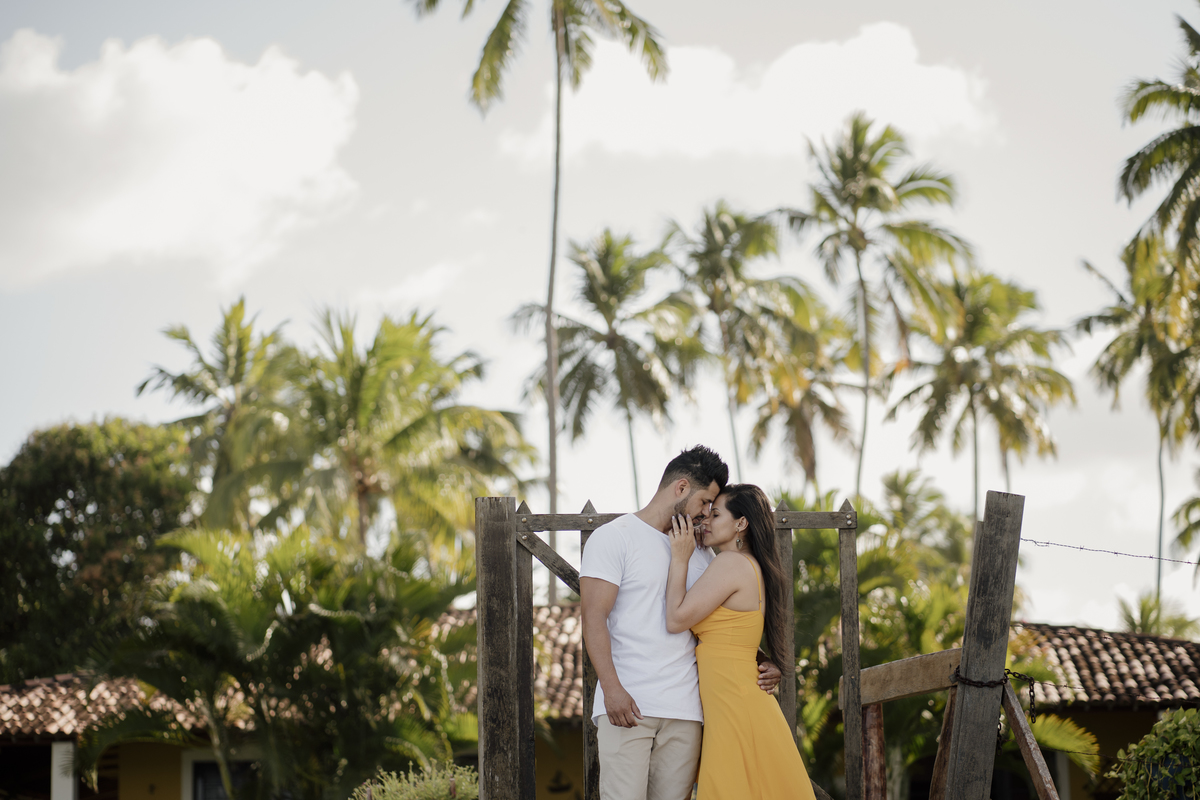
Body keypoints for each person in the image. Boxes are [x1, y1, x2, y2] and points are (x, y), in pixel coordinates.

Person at [580, 446, 783, 800]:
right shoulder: (615, 537)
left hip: (687, 711)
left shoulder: (705, 553)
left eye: (713, 508)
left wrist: (762, 660)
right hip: (629, 705)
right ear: (681, 487)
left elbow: (722, 624)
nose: (706, 514)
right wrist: (611, 688)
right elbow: (593, 617)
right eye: (705, 502)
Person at [665, 484, 817, 799]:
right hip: (736, 703)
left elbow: (676, 619)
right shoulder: (746, 565)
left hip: (734, 706)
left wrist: (680, 557)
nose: (705, 519)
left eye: (715, 513)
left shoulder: (731, 563)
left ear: (741, 523)